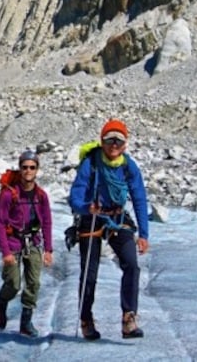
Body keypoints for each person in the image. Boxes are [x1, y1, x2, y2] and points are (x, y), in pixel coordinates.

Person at [68, 118, 150, 340]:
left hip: (117, 218)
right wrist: (87, 207)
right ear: (102, 141)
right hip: (92, 218)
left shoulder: (128, 166)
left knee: (131, 264)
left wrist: (143, 234)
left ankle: (129, 317)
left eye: (119, 140)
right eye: (109, 139)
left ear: (125, 144)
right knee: (89, 273)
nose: (114, 144)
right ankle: (86, 319)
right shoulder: (91, 163)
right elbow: (75, 195)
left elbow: (139, 198)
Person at [0, 150, 53, 337]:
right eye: (24, 167)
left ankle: (26, 323)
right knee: (13, 284)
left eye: (32, 167)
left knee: (33, 283)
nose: (28, 171)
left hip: (33, 242)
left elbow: (47, 221)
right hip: (13, 243)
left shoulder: (41, 196)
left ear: (37, 170)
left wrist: (48, 249)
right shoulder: (8, 194)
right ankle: (2, 302)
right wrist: (5, 252)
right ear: (19, 168)